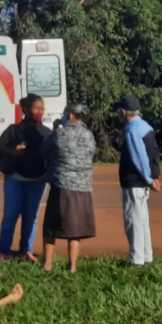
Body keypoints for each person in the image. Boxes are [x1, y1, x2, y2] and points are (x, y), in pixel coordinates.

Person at [0, 94, 51, 263]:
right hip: (15, 178)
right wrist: (14, 151)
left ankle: (26, 250)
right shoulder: (13, 130)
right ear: (26, 110)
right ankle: (3, 250)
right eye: (36, 108)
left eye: (42, 108)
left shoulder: (46, 133)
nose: (40, 111)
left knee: (31, 217)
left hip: (38, 180)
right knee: (10, 215)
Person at [40, 104, 96, 273]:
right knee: (75, 228)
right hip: (83, 187)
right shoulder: (89, 135)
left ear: (70, 115)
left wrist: (56, 129)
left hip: (61, 185)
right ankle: (72, 266)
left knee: (51, 226)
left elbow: (44, 151)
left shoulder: (60, 134)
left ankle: (47, 265)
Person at [114, 96, 161, 267]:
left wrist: (148, 178)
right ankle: (146, 256)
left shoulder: (132, 129)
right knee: (142, 219)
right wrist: (154, 176)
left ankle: (136, 260)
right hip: (142, 181)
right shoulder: (145, 126)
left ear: (124, 112)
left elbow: (138, 156)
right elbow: (154, 154)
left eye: (120, 110)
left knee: (133, 220)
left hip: (135, 181)